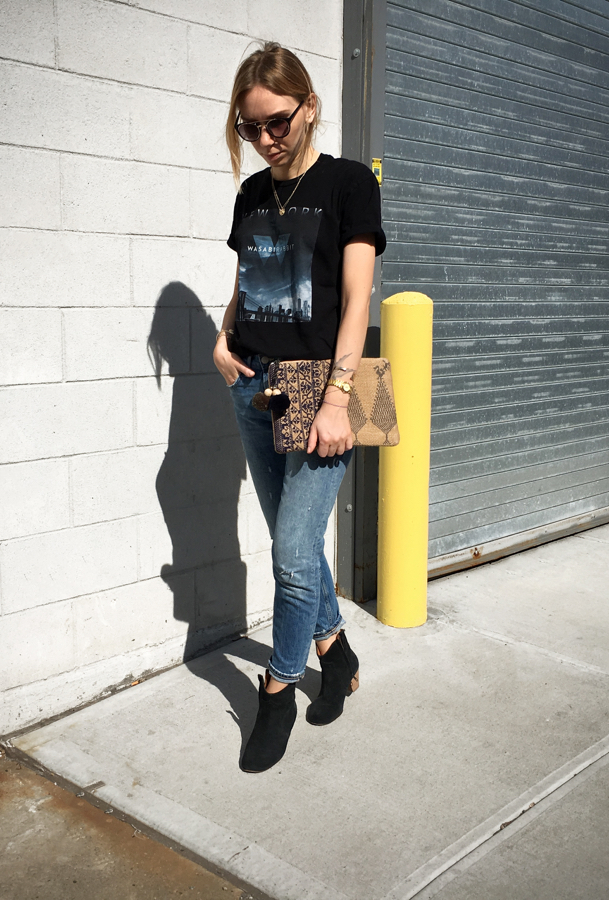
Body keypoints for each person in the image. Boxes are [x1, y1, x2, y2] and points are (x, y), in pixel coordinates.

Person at [213, 42, 386, 773]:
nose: (265, 139)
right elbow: (250, 280)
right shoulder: (252, 193)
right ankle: (335, 649)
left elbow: (357, 296)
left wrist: (340, 398)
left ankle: (277, 689)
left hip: (326, 386)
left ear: (309, 106)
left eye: (277, 122)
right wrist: (222, 339)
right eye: (250, 127)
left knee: (289, 553)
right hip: (255, 381)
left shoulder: (349, 183)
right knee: (299, 544)